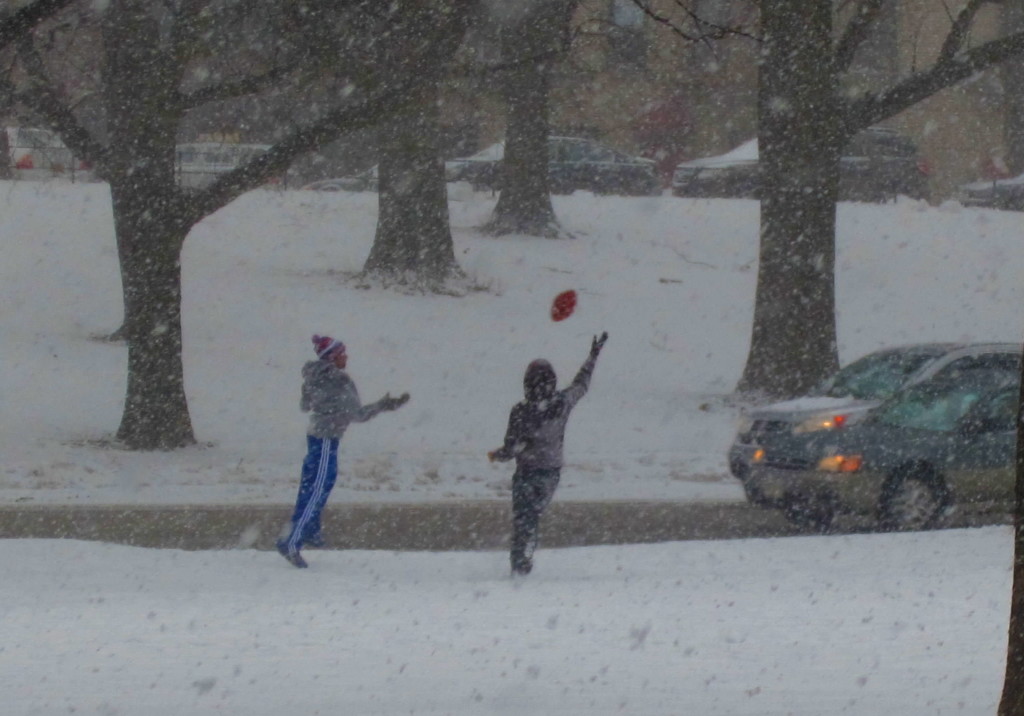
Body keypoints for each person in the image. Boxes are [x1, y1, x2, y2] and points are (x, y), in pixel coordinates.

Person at [277, 334, 409, 568]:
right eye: (342, 353)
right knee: (318, 489)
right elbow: (358, 415)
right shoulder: (339, 380)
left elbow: (304, 405)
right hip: (328, 439)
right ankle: (291, 541)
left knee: (310, 487)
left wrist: (324, 404)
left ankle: (310, 530)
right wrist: (384, 405)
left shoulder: (312, 375)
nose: (346, 357)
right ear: (332, 357)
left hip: (315, 435)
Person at [488, 332, 608, 576]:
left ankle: (520, 561)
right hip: (550, 474)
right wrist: (592, 357)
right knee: (531, 516)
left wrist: (501, 454)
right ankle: (523, 557)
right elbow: (581, 385)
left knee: (524, 518)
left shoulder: (520, 411)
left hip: (526, 473)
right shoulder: (562, 403)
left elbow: (511, 448)